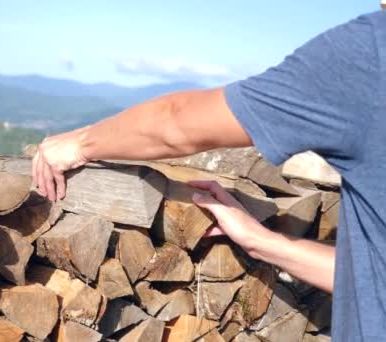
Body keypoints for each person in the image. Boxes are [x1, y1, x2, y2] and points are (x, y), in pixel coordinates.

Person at [31, 10, 386, 341]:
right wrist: (262, 242)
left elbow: (177, 124)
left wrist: (80, 142)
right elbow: (374, 277)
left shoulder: (371, 50)